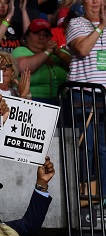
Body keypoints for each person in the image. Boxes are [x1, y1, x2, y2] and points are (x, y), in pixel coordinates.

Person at [66, 0, 106, 197]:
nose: (96, 2)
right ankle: (85, 197)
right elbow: (82, 49)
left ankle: (104, 195)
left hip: (104, 95)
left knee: (104, 149)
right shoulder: (77, 23)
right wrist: (101, 26)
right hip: (84, 95)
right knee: (86, 146)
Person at [13, 19, 70, 105]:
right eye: (36, 33)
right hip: (32, 100)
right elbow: (22, 67)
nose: (41, 38)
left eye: (46, 35)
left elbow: (75, 66)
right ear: (27, 36)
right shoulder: (20, 51)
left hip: (62, 101)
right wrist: (47, 52)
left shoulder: (57, 53)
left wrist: (58, 53)